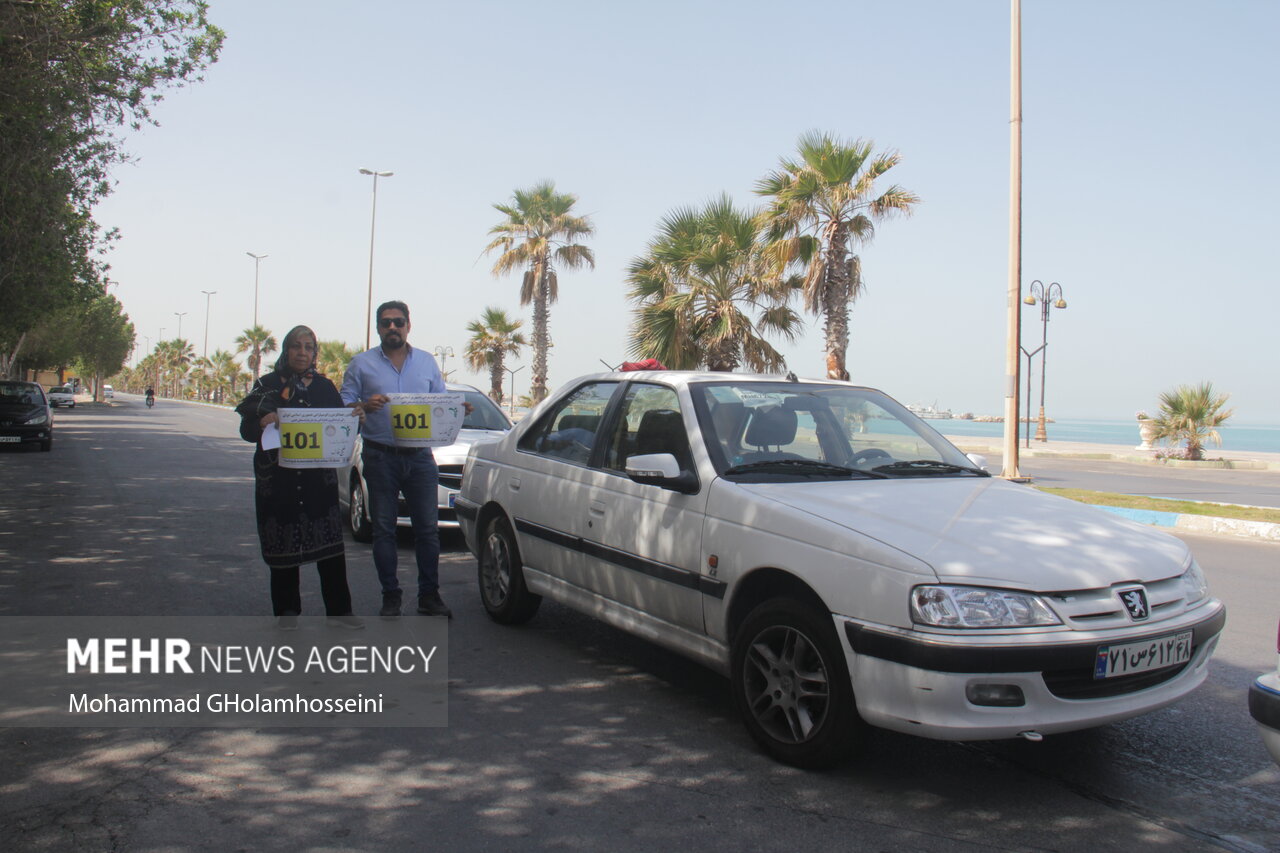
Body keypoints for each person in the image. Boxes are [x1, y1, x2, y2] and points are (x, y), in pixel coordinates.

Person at [236, 325, 364, 630]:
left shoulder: (324, 388)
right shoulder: (266, 386)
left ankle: (339, 611)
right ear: (286, 350)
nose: (302, 352)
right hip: (278, 482)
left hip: (317, 481)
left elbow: (340, 430)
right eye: (296, 346)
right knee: (283, 543)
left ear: (315, 353)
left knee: (330, 545)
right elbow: (246, 430)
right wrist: (264, 420)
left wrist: (354, 417)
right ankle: (287, 612)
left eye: (308, 347)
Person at [341, 300, 453, 620]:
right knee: (384, 531)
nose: (393, 327)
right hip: (380, 456)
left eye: (398, 322)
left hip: (419, 457)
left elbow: (440, 404)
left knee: (428, 531)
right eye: (386, 322)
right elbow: (345, 406)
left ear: (408, 325)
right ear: (378, 327)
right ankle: (391, 596)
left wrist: (458, 411)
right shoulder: (361, 364)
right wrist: (364, 406)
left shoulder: (428, 363)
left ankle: (428, 596)